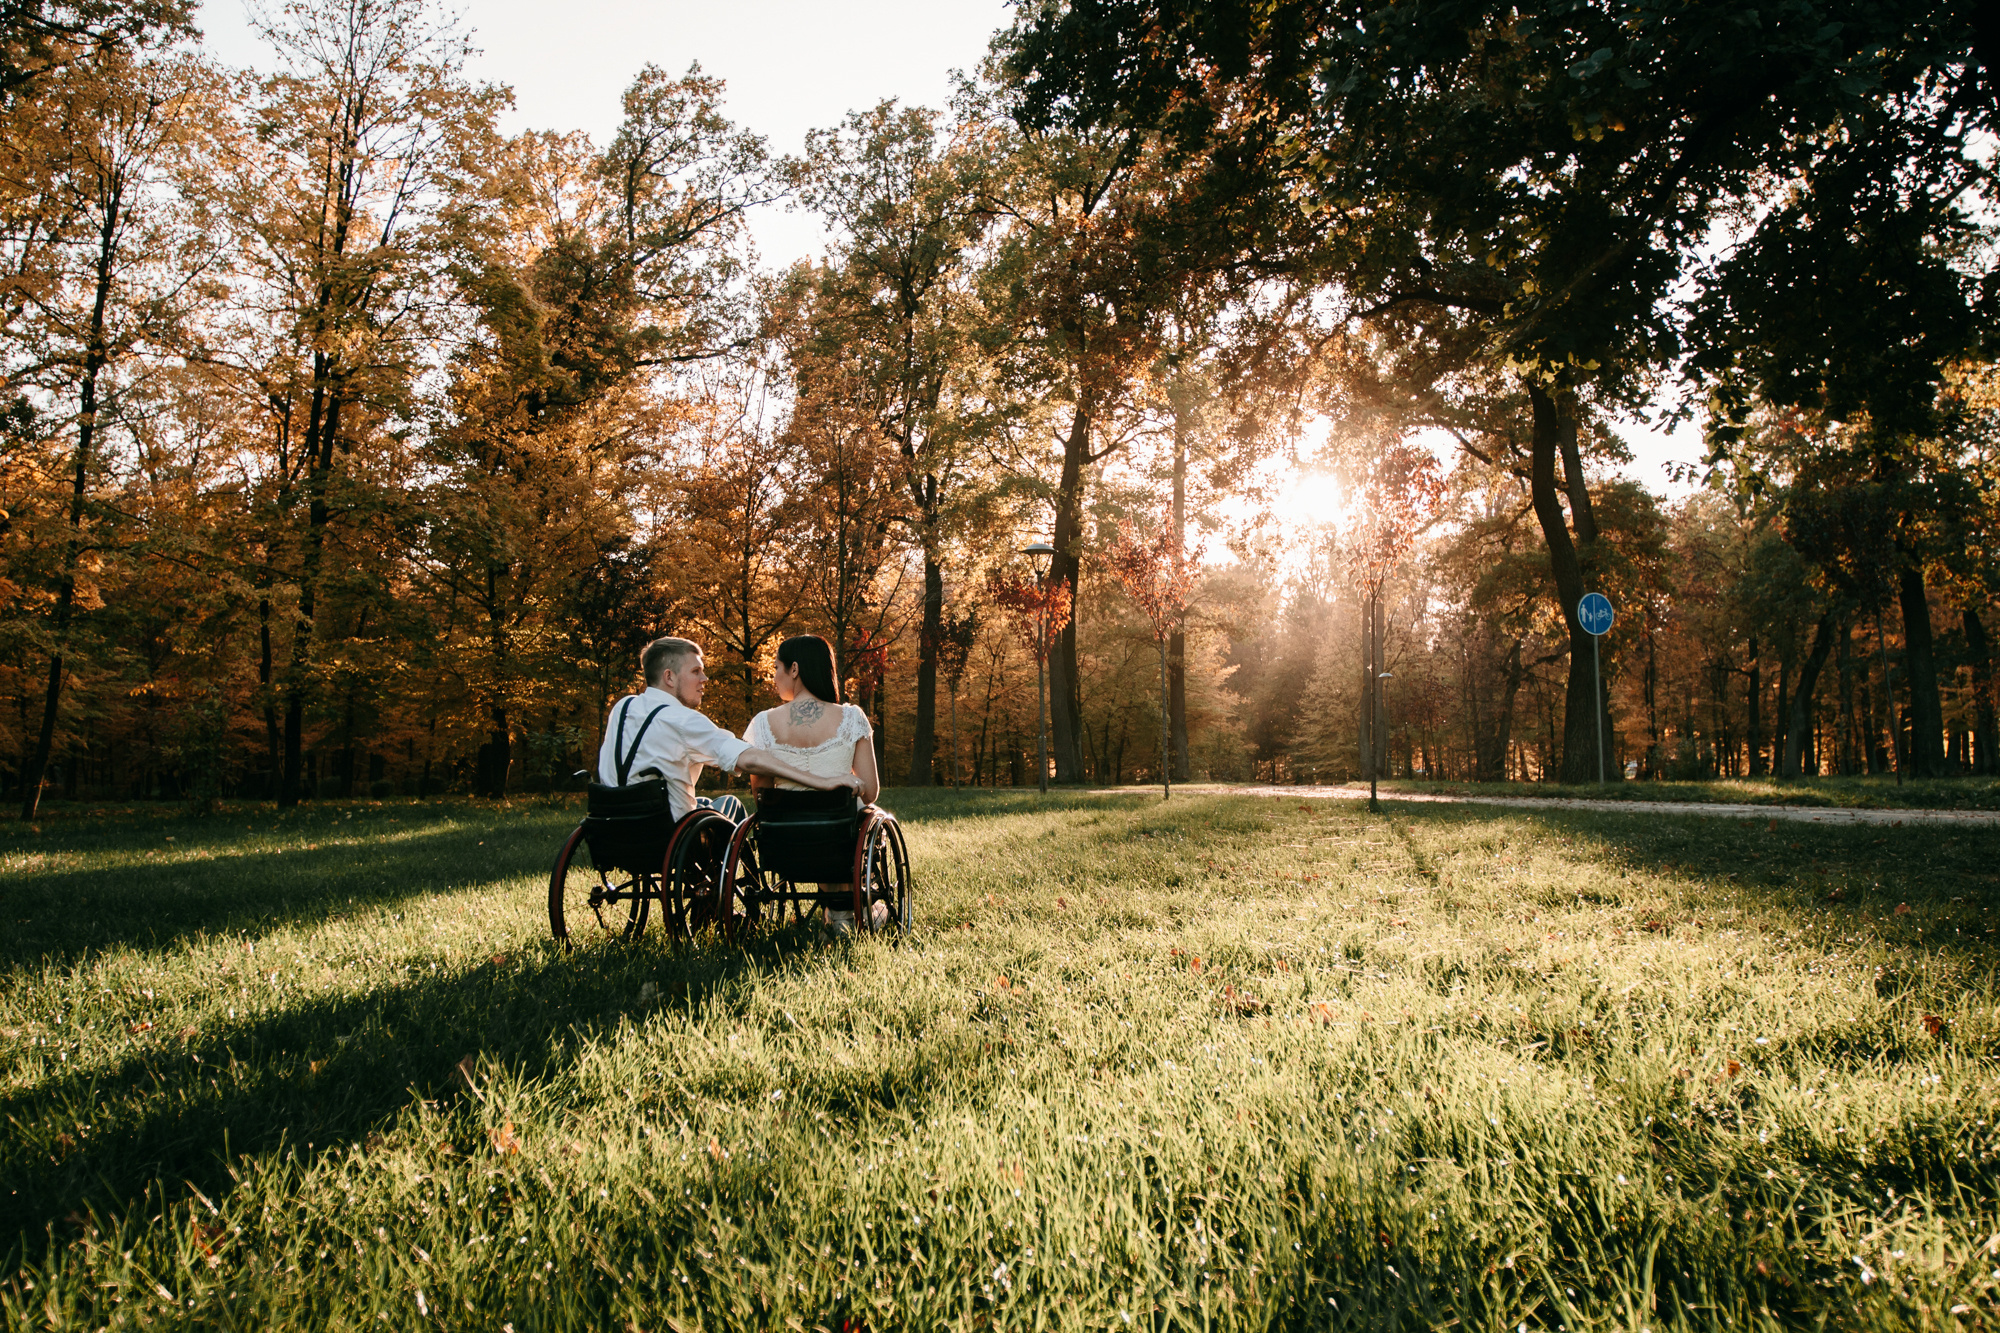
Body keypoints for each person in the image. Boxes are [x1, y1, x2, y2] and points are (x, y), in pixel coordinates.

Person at [596, 636, 858, 824]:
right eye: (696, 671)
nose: (704, 680)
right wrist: (824, 782)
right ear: (669, 677)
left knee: (712, 804)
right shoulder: (684, 721)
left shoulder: (622, 707)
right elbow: (751, 759)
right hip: (667, 832)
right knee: (730, 805)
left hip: (612, 824)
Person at [743, 634, 883, 932]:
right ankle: (844, 909)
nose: (775, 677)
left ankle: (837, 910)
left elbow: (760, 794)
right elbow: (870, 792)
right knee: (856, 813)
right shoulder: (851, 717)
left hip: (785, 844)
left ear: (794, 669)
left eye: (777, 668)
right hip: (838, 838)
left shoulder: (763, 724)